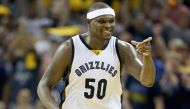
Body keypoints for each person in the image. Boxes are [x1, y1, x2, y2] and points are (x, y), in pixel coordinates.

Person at [37, 2, 155, 109]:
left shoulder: (122, 49)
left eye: (111, 21)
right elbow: (44, 85)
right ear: (89, 23)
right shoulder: (69, 48)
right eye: (102, 21)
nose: (108, 25)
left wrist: (147, 56)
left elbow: (148, 81)